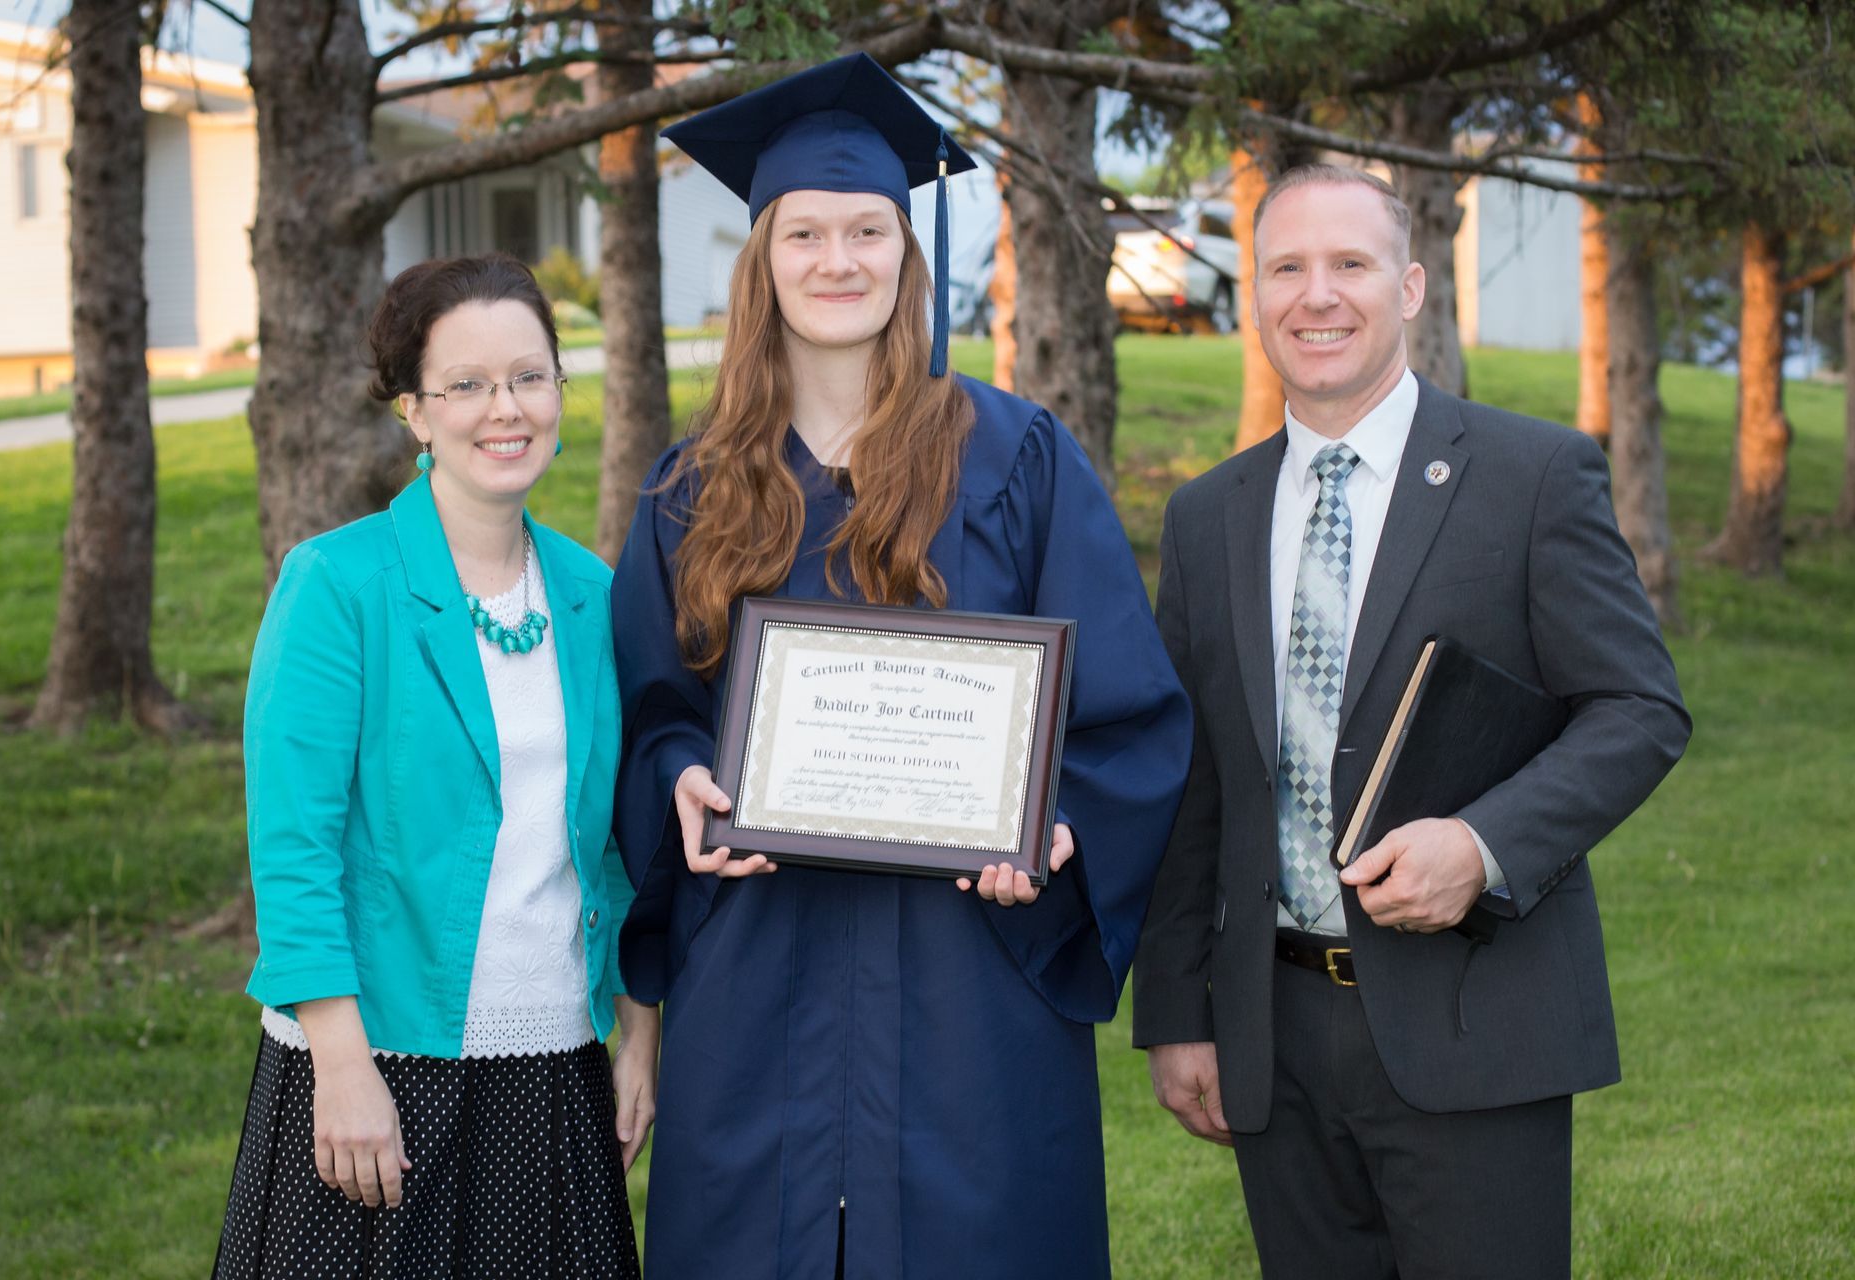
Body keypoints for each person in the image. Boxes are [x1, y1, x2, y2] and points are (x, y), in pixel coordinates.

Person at [610, 54, 1192, 1280]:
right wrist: (679, 780)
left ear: (906, 251)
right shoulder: (692, 486)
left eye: (867, 230)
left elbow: (1126, 716)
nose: (839, 260)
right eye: (806, 233)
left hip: (967, 986)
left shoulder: (1018, 459)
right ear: (763, 260)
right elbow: (656, 708)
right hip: (759, 975)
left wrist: (1057, 823)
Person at [1132, 164, 1691, 1279]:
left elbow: (1639, 708)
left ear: (1412, 286)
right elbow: (1195, 783)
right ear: (1255, 293)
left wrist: (1483, 846)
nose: (1317, 295)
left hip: (1473, 1018)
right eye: (1286, 268)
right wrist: (1180, 1011)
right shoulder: (1207, 517)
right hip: (1274, 1031)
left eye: (1350, 263)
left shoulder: (1533, 475)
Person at [213, 254, 657, 1279]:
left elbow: (613, 845)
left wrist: (640, 1034)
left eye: (530, 376)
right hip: (380, 1063)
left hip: (553, 1062)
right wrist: (340, 1064)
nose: (506, 409)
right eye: (467, 384)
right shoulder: (337, 583)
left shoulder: (593, 594)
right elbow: (294, 849)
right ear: (413, 409)